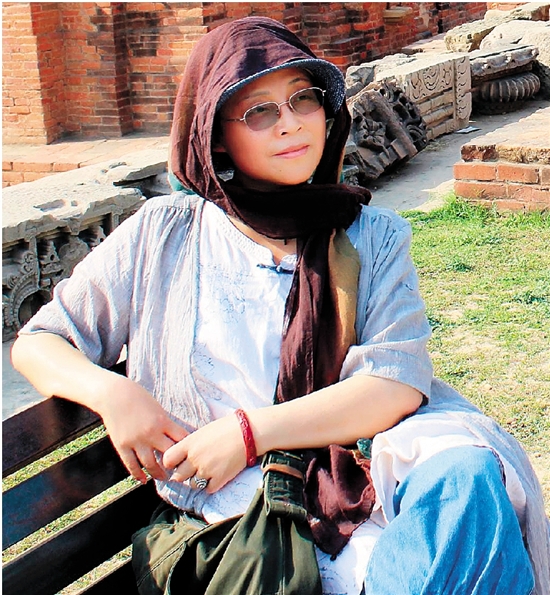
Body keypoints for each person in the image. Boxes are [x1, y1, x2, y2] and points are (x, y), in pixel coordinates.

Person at [11, 16, 548, 595]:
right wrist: (114, 394)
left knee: (469, 479)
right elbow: (41, 342)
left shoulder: (369, 235)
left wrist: (250, 433)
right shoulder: (164, 235)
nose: (290, 123)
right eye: (259, 111)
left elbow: (393, 383)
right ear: (216, 135)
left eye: (302, 99)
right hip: (252, 520)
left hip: (363, 475)